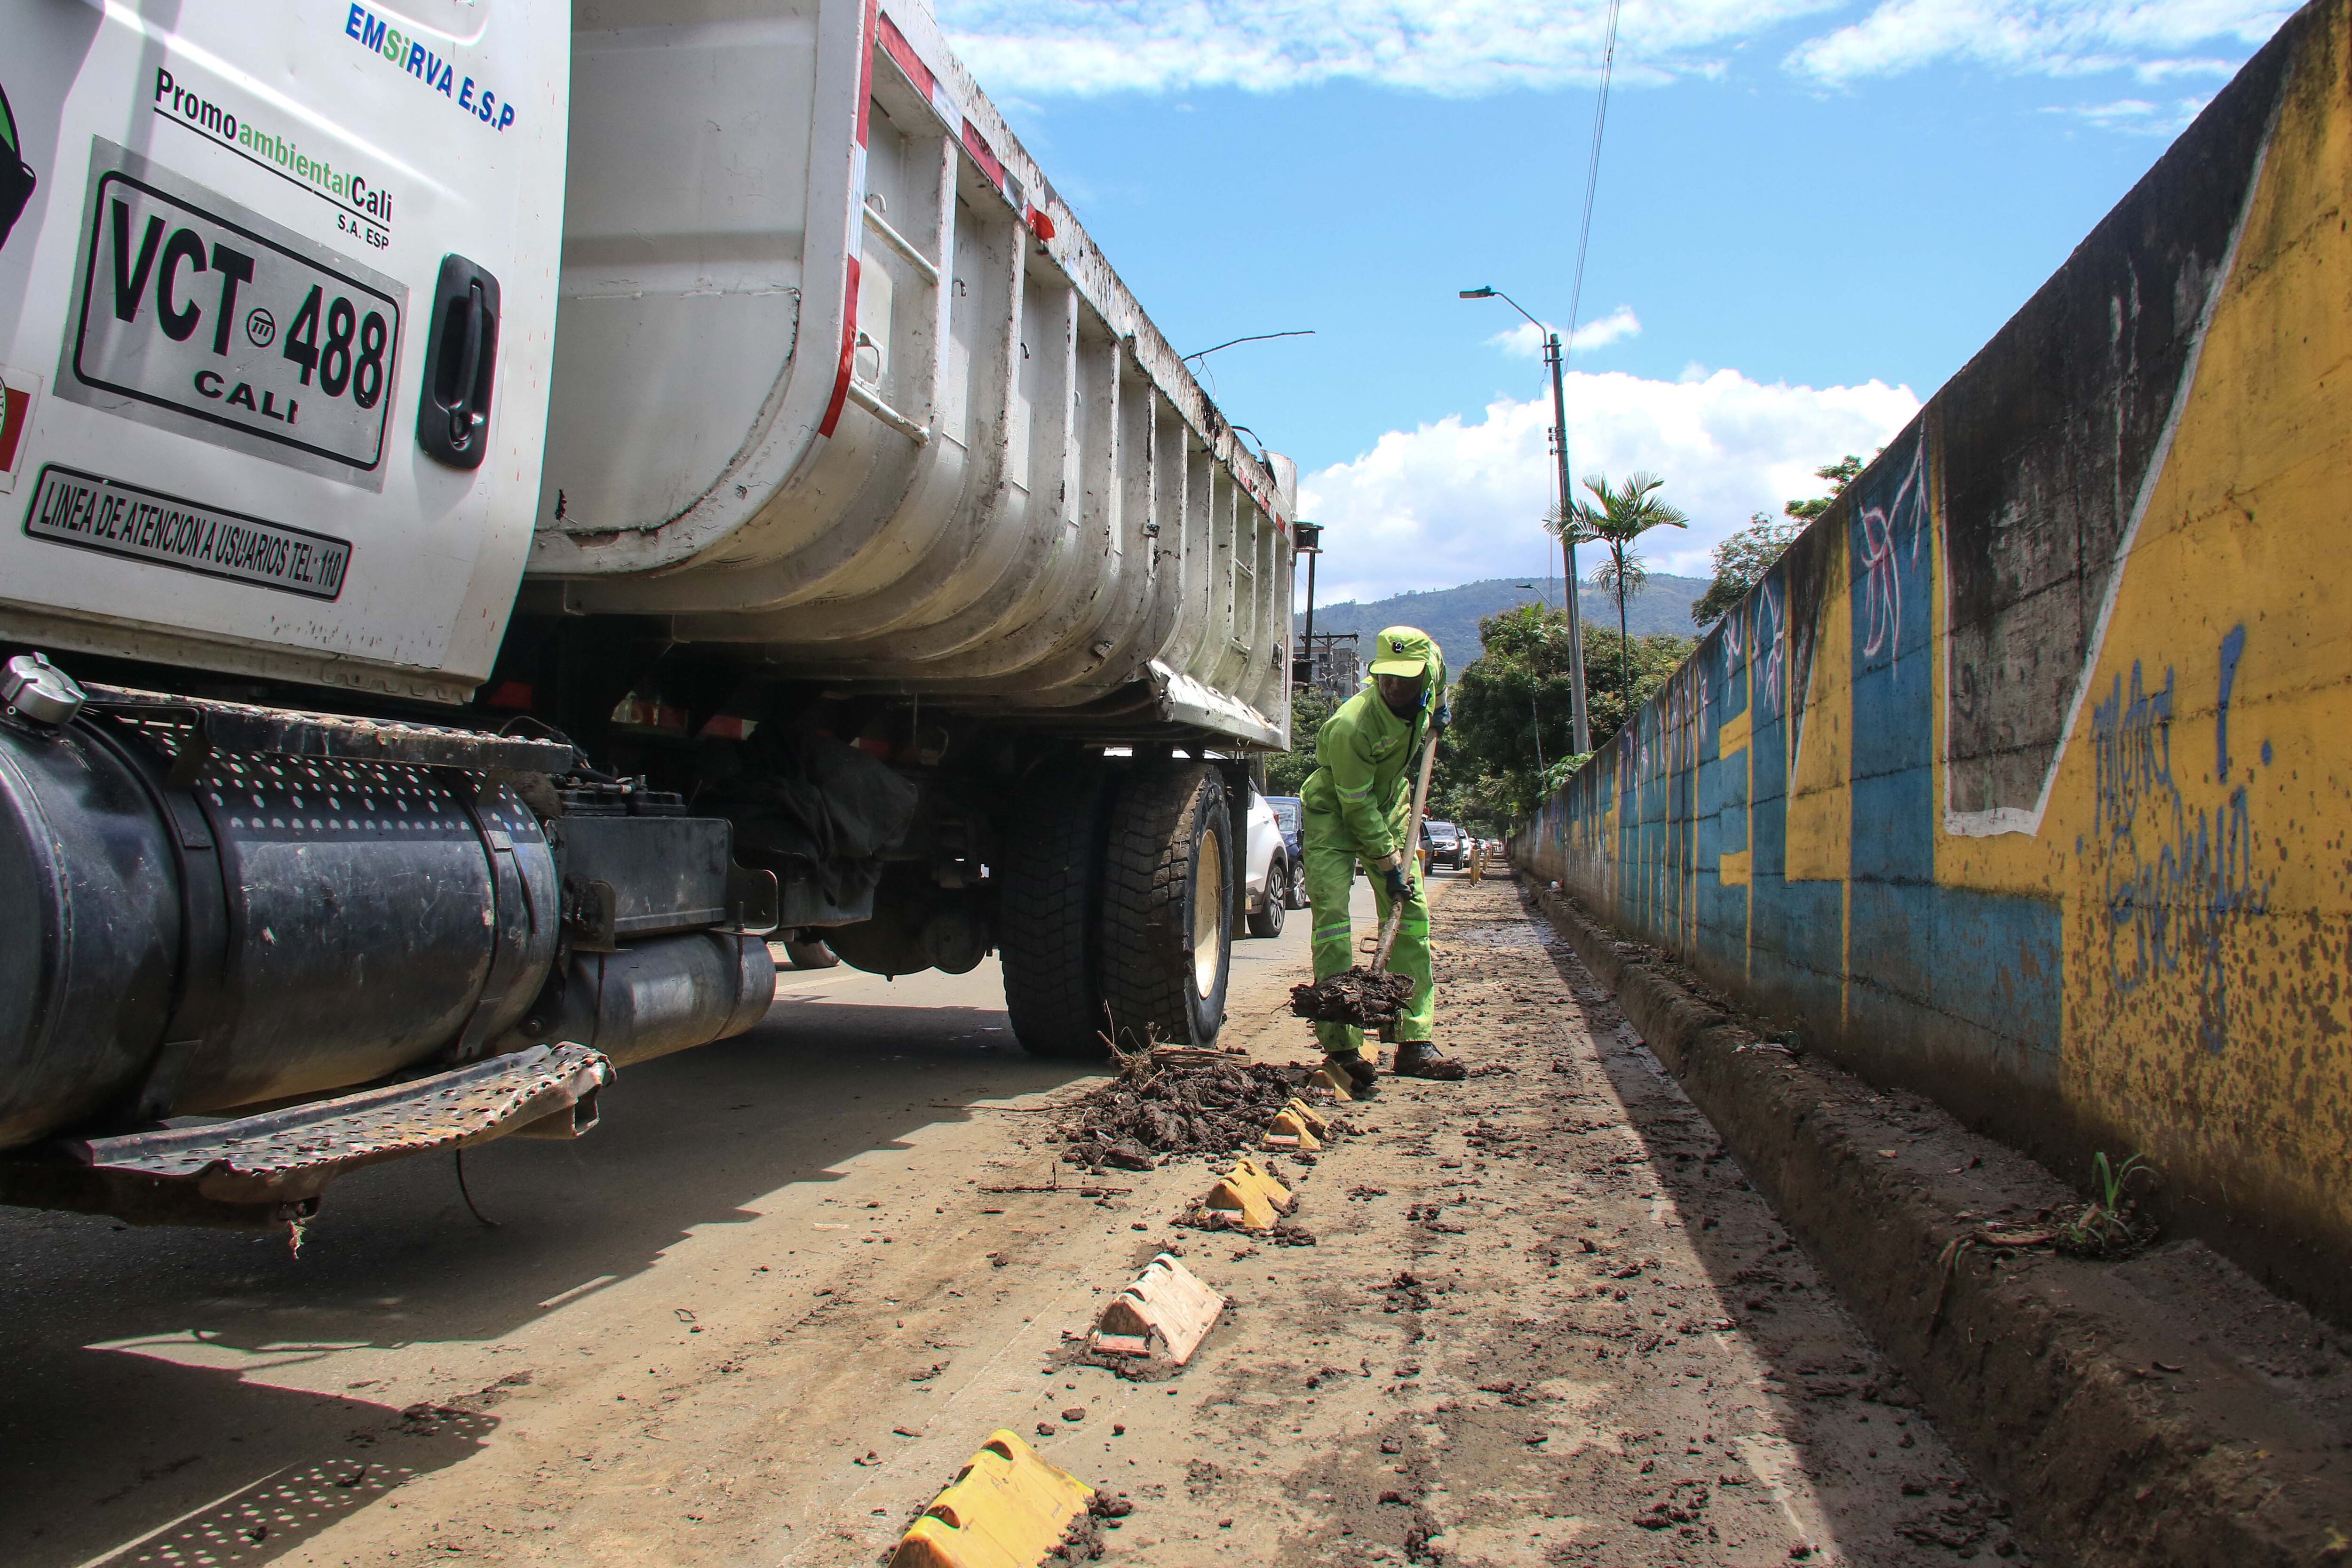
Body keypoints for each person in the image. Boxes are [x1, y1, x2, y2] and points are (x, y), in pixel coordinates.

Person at [1298, 625, 1466, 1087]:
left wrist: (1440, 708)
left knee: (1411, 918)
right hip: (1336, 808)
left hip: (1391, 803)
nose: (1394, 686)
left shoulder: (1429, 682)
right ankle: (1342, 1045)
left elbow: (1439, 665)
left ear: (1425, 678)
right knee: (1332, 919)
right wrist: (1390, 864)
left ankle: (1414, 1042)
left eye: (1406, 679)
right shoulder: (1351, 725)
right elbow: (1355, 805)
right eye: (1386, 677)